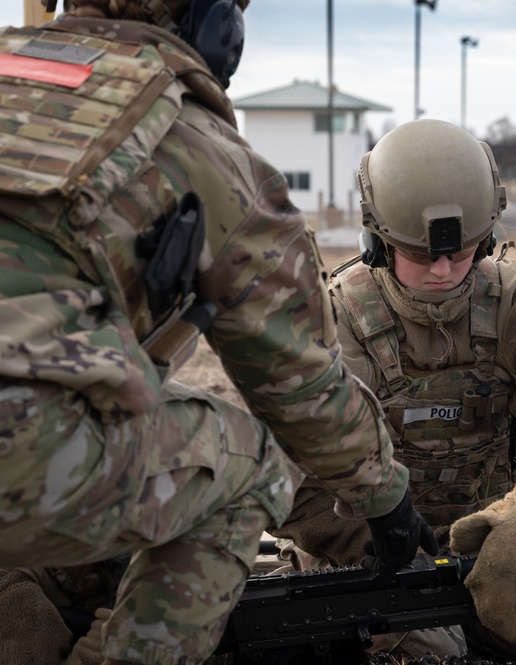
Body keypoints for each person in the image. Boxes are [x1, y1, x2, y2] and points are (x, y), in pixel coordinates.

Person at [0, 2, 436, 664]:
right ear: (215, 29)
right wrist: (387, 501)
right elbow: (300, 383)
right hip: (19, 445)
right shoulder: (192, 142)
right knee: (247, 463)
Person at [274, 118, 516, 661]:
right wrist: (374, 548)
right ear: (378, 239)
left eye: (460, 252)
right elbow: (290, 457)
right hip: (371, 554)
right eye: (421, 254)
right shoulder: (337, 317)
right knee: (429, 650)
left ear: (486, 236)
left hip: (486, 547)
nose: (442, 269)